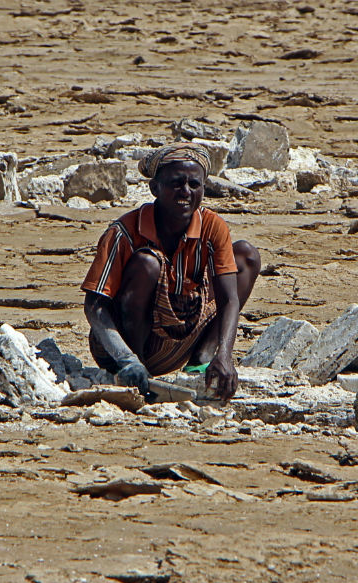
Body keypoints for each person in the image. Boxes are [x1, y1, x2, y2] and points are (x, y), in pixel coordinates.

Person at [81, 143, 261, 400]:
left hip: (178, 338)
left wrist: (224, 356)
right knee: (148, 263)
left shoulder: (212, 227)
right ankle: (138, 370)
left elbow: (230, 298)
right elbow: (94, 306)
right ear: (155, 188)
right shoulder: (124, 232)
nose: (186, 192)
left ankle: (201, 359)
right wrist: (126, 358)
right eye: (176, 184)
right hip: (123, 347)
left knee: (246, 255)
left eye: (194, 185)